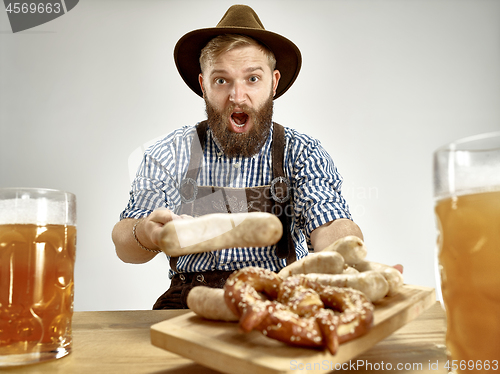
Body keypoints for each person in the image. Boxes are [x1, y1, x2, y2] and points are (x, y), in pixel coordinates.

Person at [112, 4, 363, 309]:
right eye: (221, 80)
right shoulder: (171, 152)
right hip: (190, 303)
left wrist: (346, 253)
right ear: (204, 85)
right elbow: (125, 246)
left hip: (277, 300)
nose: (237, 96)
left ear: (274, 82)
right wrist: (147, 232)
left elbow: (329, 223)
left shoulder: (301, 152)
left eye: (252, 79)